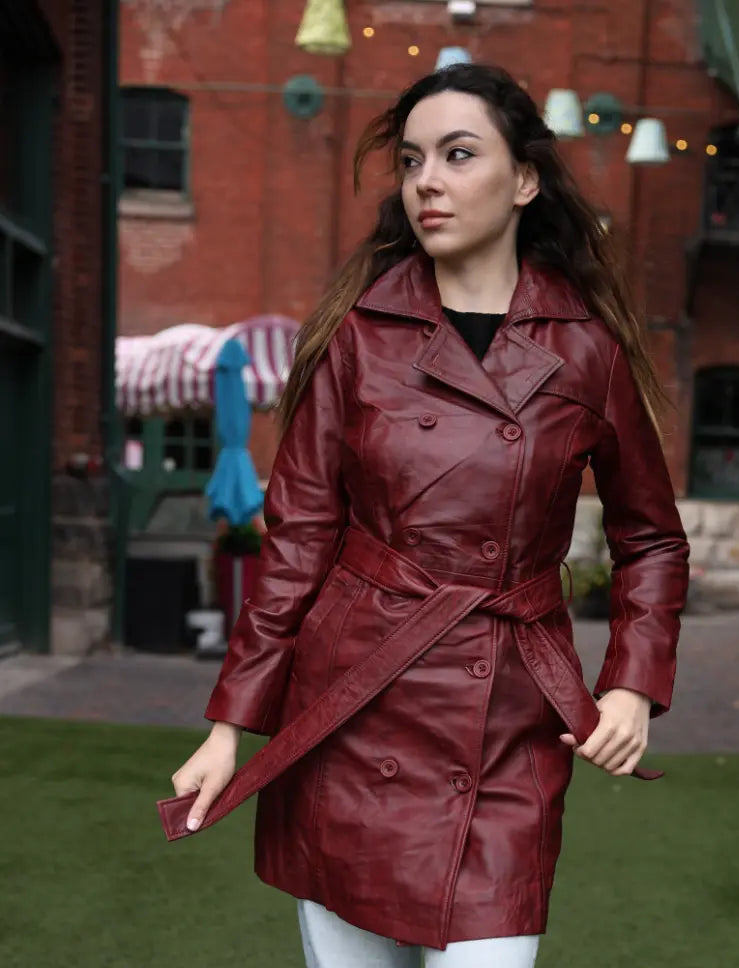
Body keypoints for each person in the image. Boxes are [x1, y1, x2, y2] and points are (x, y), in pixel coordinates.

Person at [168, 63, 690, 968]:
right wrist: (229, 728)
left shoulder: (586, 349)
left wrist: (632, 684)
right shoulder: (354, 336)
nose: (427, 183)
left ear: (524, 179)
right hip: (353, 708)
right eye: (411, 161)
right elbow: (296, 546)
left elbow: (650, 537)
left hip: (508, 735)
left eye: (457, 154)